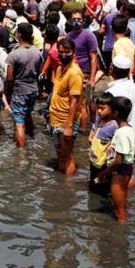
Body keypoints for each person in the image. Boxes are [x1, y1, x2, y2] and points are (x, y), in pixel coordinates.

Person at [93, 96, 135, 223]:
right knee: (119, 206)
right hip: (126, 170)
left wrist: (102, 175)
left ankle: (119, 237)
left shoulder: (122, 133)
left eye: (110, 109)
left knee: (119, 211)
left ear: (115, 113)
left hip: (120, 173)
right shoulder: (129, 129)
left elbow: (118, 160)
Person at [48, 38, 83, 175]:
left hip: (65, 120)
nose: (63, 55)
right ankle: (62, 182)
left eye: (67, 52)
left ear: (73, 53)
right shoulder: (59, 69)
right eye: (60, 52)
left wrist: (69, 126)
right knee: (61, 154)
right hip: (55, 118)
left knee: (67, 156)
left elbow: (75, 101)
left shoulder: (74, 73)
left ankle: (68, 187)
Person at [5, 23, 43, 147]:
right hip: (33, 90)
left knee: (18, 122)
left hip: (20, 91)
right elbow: (39, 72)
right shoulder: (37, 52)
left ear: (19, 35)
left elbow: (9, 78)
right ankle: (31, 138)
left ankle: (21, 153)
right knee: (28, 114)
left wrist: (7, 94)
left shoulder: (13, 55)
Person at [88, 94, 118, 196]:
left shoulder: (114, 125)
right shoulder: (98, 118)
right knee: (92, 184)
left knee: (103, 188)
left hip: (104, 164)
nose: (99, 111)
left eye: (103, 108)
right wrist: (91, 136)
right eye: (98, 108)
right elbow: (94, 128)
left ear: (112, 109)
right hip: (94, 160)